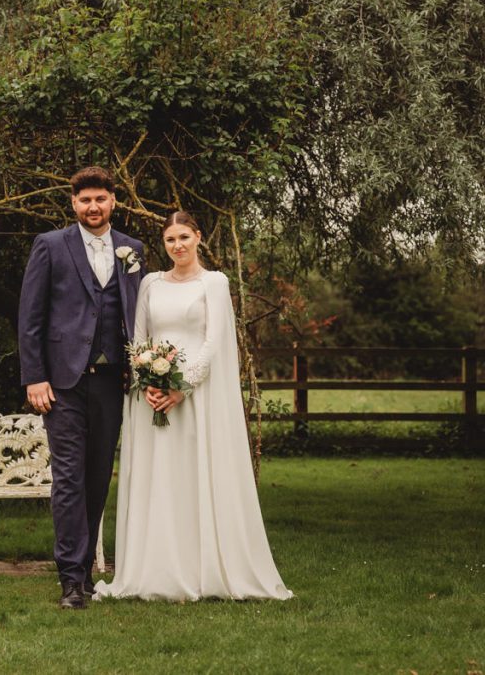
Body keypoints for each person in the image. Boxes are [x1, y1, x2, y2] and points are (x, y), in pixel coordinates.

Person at [95, 211, 292, 602]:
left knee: (195, 477)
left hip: (195, 398)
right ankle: (158, 569)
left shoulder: (214, 283)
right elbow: (137, 338)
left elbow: (214, 341)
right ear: (164, 244)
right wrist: (147, 382)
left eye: (184, 237)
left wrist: (181, 388)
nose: (178, 246)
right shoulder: (150, 283)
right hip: (152, 399)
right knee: (161, 481)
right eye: (170, 240)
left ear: (198, 237)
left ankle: (204, 569)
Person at [18, 166, 144, 609]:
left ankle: (87, 571)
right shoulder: (50, 246)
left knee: (96, 479)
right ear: (74, 204)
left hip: (113, 382)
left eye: (101, 199)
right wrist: (35, 376)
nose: (93, 207)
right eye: (85, 200)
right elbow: (30, 317)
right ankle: (71, 578)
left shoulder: (133, 250)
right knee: (69, 479)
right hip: (63, 383)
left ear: (114, 201)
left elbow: (137, 313)